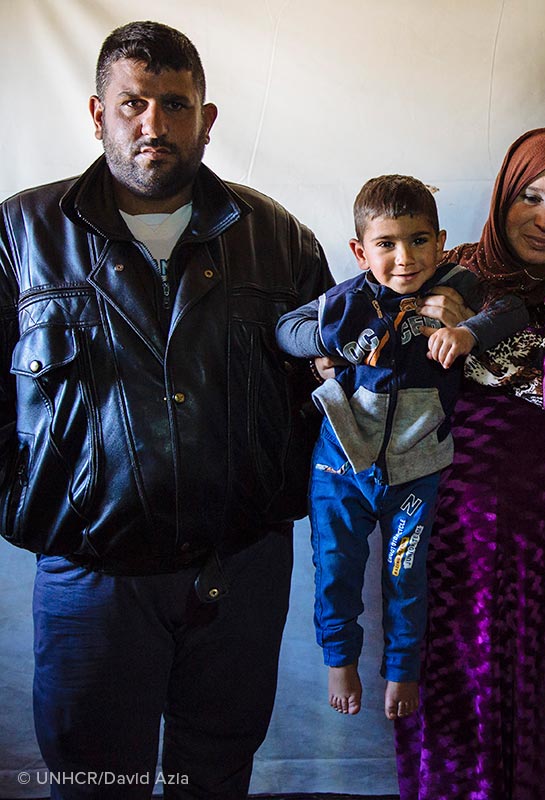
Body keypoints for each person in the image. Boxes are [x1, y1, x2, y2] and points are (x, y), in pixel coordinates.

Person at [0, 21, 332, 797]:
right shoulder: (21, 235)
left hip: (241, 569)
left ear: (206, 119)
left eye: (175, 105)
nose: (154, 125)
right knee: (92, 778)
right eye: (133, 103)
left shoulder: (278, 239)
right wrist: (23, 499)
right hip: (90, 575)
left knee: (213, 775)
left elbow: (325, 390)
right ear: (96, 112)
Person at [384, 128, 545, 799]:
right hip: (446, 542)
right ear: (503, 195)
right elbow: (377, 350)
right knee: (447, 708)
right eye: (531, 196)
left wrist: (472, 343)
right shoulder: (446, 269)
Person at [275, 174, 527, 719]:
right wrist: (334, 341)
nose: (405, 258)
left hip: (418, 468)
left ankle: (402, 669)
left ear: (439, 241)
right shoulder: (348, 300)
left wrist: (468, 331)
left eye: (418, 241)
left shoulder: (458, 285)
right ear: (360, 251)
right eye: (386, 244)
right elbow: (284, 330)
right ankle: (338, 659)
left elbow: (514, 314)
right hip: (340, 465)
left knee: (405, 574)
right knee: (335, 566)